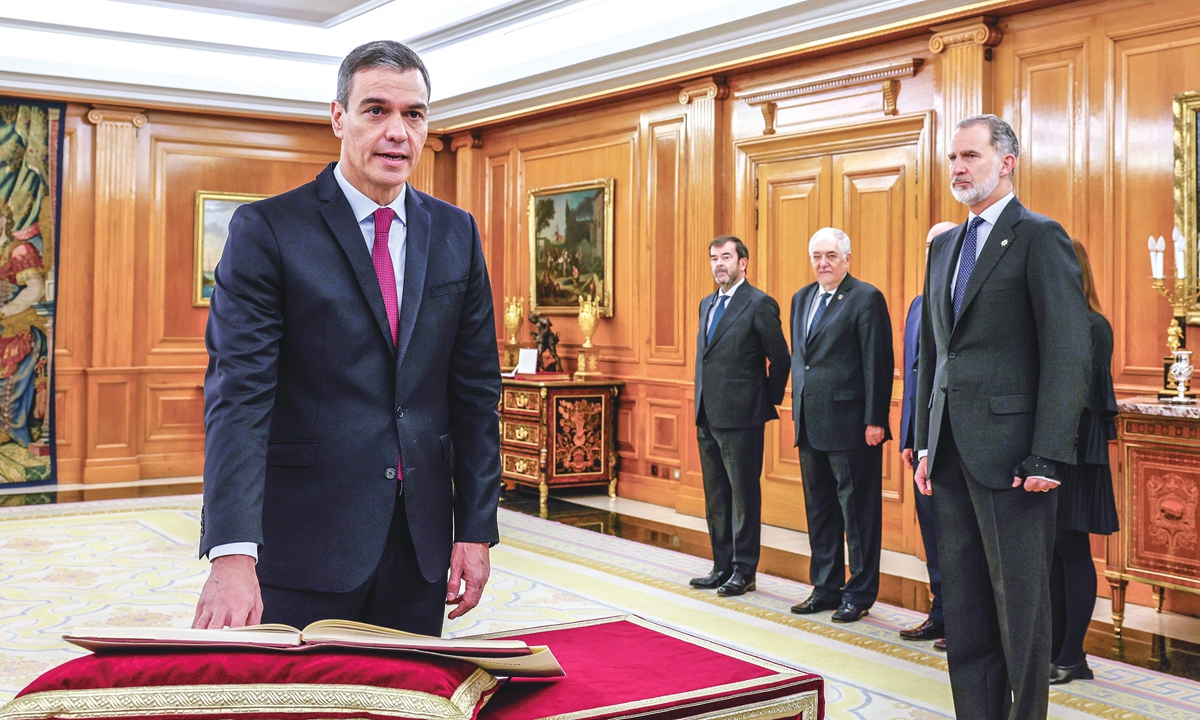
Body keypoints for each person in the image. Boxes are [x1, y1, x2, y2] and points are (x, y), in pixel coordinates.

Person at [194, 40, 502, 637]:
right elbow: (239, 397)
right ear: (338, 116)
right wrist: (232, 551)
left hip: (420, 545)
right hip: (305, 541)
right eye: (375, 110)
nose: (397, 132)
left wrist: (474, 527)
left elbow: (474, 390)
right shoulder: (268, 230)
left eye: (413, 114)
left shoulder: (456, 232)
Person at [914, 114, 1091, 720]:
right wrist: (923, 444)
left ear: (1007, 161)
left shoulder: (1041, 237)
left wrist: (1048, 453)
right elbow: (934, 356)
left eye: (971, 156)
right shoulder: (944, 246)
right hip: (953, 455)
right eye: (954, 158)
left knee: (1022, 610)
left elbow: (1068, 353)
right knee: (963, 608)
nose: (959, 168)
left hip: (1016, 459)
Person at [788, 227, 893, 623]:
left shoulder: (865, 298)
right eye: (817, 255)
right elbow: (804, 360)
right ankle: (825, 586)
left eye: (831, 255)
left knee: (858, 513)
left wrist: (875, 420)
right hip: (810, 423)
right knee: (820, 510)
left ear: (847, 260)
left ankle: (860, 592)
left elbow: (877, 363)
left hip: (852, 425)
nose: (823, 263)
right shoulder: (801, 298)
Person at [690, 236, 790, 597]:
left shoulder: (759, 303)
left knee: (743, 497)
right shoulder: (706, 304)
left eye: (727, 257)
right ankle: (721, 565)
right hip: (707, 414)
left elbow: (781, 359)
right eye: (714, 258)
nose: (720, 264)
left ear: (743, 262)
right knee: (716, 496)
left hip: (743, 417)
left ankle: (744, 570)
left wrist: (763, 402)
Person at [1049, 239, 1119, 684]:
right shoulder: (1057, 320)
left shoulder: (1093, 325)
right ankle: (1058, 649)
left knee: (1071, 549)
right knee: (1053, 552)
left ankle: (1073, 655)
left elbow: (1082, 398)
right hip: (1052, 449)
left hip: (1076, 452)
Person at [898, 221, 957, 647]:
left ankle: (964, 621)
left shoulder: (963, 300)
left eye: (942, 245)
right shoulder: (918, 303)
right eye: (928, 246)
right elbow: (913, 378)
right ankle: (939, 612)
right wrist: (909, 437)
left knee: (958, 538)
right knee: (932, 534)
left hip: (955, 441)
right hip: (923, 443)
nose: (933, 252)